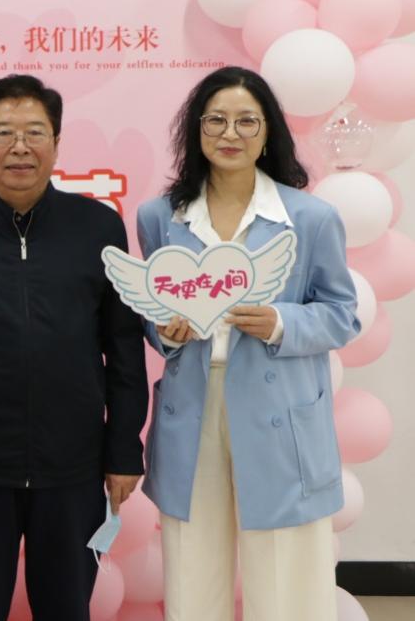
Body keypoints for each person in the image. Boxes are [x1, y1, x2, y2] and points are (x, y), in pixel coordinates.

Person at [0, 73, 148, 621]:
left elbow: (123, 346)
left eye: (35, 132)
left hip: (74, 466)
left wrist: (122, 450)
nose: (20, 147)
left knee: (67, 607)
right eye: (3, 133)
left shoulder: (98, 226)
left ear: (57, 143)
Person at [137, 66, 359, 621]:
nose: (229, 133)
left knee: (288, 577)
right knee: (192, 569)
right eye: (215, 120)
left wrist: (281, 322)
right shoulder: (160, 217)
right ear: (195, 130)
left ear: (268, 133)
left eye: (246, 121)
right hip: (192, 406)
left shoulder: (310, 218)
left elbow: (342, 314)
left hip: (278, 406)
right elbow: (149, 305)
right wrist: (163, 330)